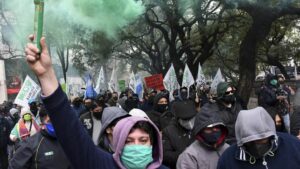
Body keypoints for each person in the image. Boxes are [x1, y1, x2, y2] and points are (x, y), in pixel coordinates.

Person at [24, 35, 167, 169]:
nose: (136, 147)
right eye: (128, 141)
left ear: (153, 143)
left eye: (143, 140)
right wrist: (47, 75)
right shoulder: (104, 164)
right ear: (118, 144)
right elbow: (71, 133)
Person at [217, 107, 300, 169]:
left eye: (261, 140)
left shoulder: (292, 145)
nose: (256, 146)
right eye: (249, 141)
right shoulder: (228, 159)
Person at [177, 103, 229, 169]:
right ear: (201, 130)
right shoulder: (190, 155)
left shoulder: (228, 149)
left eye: (217, 127)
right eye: (209, 128)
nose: (214, 130)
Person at [162, 100, 197, 168]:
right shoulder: (169, 131)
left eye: (191, 119)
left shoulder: (200, 127)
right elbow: (165, 155)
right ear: (178, 119)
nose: (189, 123)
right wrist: (186, 154)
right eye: (185, 120)